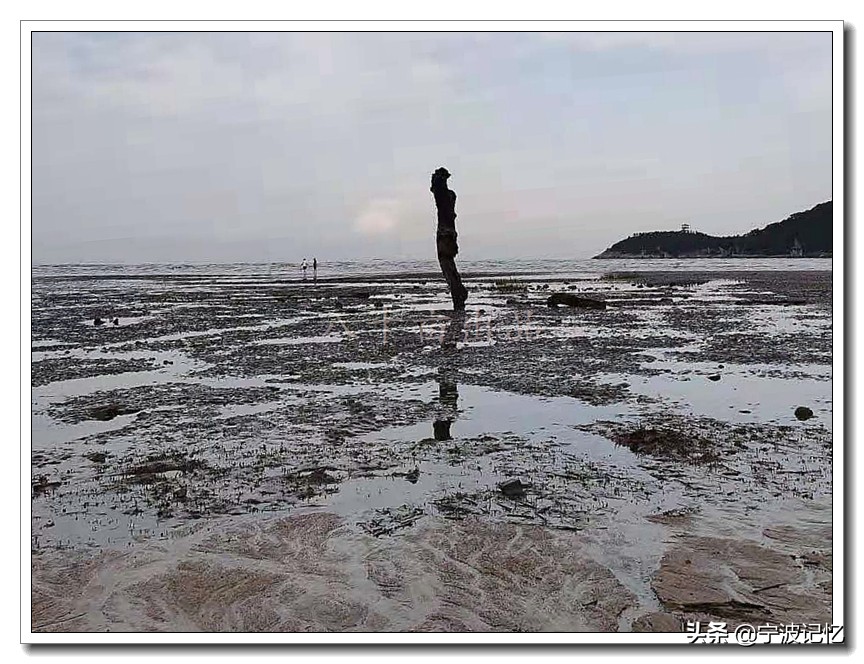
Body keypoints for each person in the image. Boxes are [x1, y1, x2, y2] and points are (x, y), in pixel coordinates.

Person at [430, 167, 468, 310]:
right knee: (449, 265)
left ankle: (458, 292)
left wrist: (436, 177)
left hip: (445, 234)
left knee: (446, 265)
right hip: (450, 233)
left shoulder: (443, 195)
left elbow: (435, 187)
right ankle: (459, 292)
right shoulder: (451, 195)